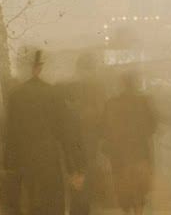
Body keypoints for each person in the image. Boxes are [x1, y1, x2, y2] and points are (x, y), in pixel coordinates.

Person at [4, 47, 75, 215]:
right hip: (48, 156)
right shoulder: (53, 93)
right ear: (39, 68)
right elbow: (64, 130)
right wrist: (72, 165)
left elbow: (10, 132)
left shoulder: (16, 95)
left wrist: (8, 163)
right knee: (51, 199)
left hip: (24, 157)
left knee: (27, 199)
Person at [102, 69, 157, 215]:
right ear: (134, 84)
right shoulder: (143, 102)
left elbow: (105, 129)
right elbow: (152, 127)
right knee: (139, 193)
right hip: (140, 153)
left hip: (120, 156)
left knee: (124, 191)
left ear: (122, 84)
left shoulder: (112, 104)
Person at [64, 50, 109, 215]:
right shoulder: (97, 87)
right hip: (89, 138)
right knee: (86, 173)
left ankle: (77, 207)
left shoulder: (71, 85)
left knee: (74, 172)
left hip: (74, 138)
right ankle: (82, 207)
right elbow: (101, 112)